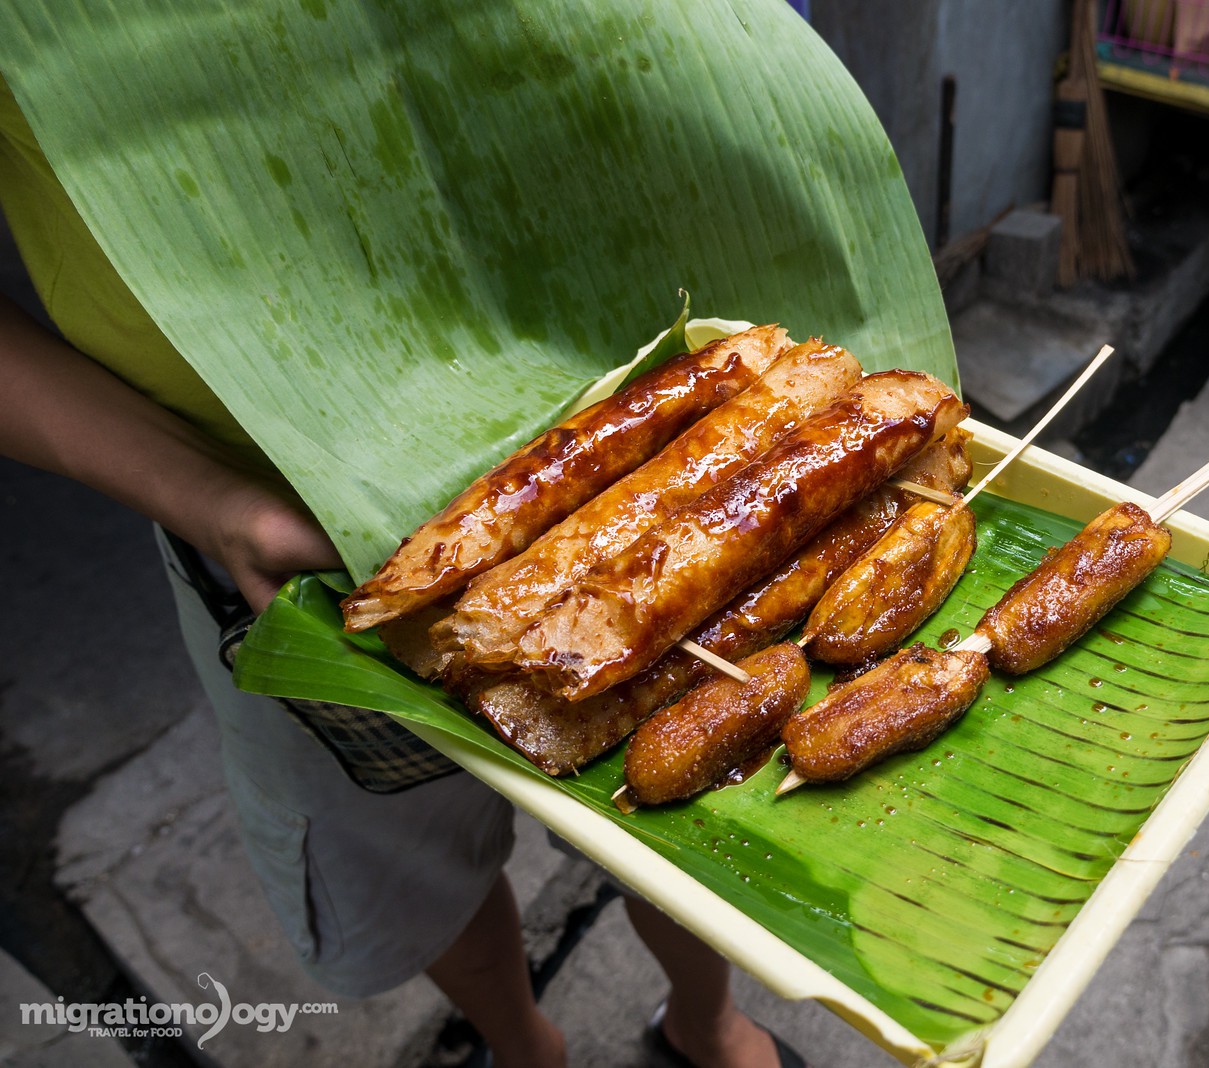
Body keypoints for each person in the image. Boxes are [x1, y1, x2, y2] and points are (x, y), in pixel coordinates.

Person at [0, 74, 802, 1068]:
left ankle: (703, 1022)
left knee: (677, 809)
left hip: (667, 425)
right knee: (406, 858)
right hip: (292, 534)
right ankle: (523, 1047)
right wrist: (215, 503)